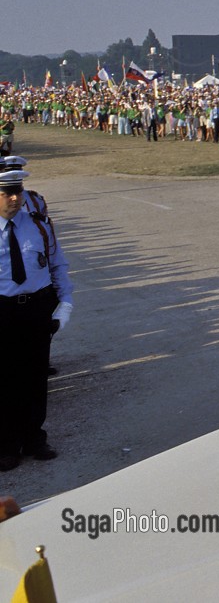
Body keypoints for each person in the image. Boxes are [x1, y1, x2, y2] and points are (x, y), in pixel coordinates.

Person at [0, 168, 75, 470]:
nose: (16, 198)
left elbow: (57, 263)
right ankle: (6, 444)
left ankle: (34, 438)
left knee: (34, 375)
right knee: (4, 379)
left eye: (18, 191)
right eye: (7, 193)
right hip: (2, 311)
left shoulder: (38, 225)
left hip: (36, 306)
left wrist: (65, 303)